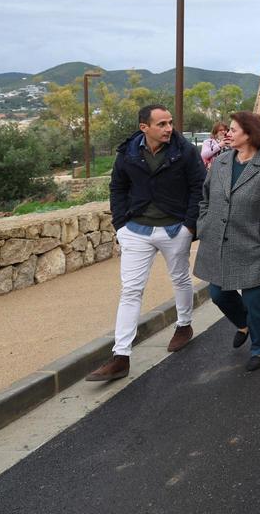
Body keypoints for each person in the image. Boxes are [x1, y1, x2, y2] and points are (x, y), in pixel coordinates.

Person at [86, 104, 204, 382]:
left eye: (170, 123)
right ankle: (121, 356)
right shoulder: (128, 153)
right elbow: (117, 187)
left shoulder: (184, 151)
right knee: (130, 290)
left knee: (180, 279)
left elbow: (199, 187)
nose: (168, 128)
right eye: (161, 124)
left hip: (175, 229)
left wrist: (189, 225)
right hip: (136, 230)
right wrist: (120, 225)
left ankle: (184, 325)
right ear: (144, 128)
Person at [194, 112, 260, 371]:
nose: (228, 133)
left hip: (252, 245)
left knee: (254, 299)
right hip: (219, 242)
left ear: (249, 134)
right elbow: (205, 197)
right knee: (217, 293)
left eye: (234, 129)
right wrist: (204, 223)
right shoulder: (222, 162)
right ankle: (244, 324)